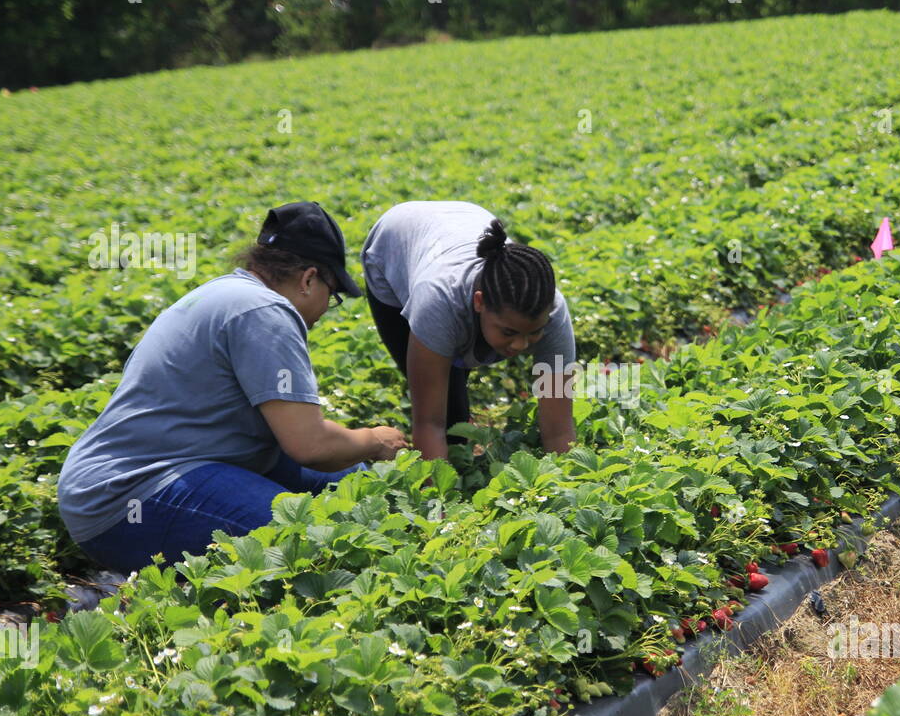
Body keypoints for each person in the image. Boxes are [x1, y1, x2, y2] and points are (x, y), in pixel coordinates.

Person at [58, 202, 409, 577]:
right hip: (128, 497)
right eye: (333, 293)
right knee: (306, 546)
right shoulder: (263, 310)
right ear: (309, 280)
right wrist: (373, 440)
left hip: (153, 473)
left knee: (351, 485)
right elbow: (311, 446)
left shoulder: (226, 295)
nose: (326, 308)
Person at [360, 201, 578, 462]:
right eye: (509, 332)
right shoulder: (438, 301)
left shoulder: (553, 312)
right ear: (479, 302)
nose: (520, 345)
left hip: (459, 224)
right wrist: (438, 497)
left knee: (456, 394)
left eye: (533, 333)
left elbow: (559, 429)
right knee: (451, 420)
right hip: (394, 242)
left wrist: (568, 487)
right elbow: (429, 424)